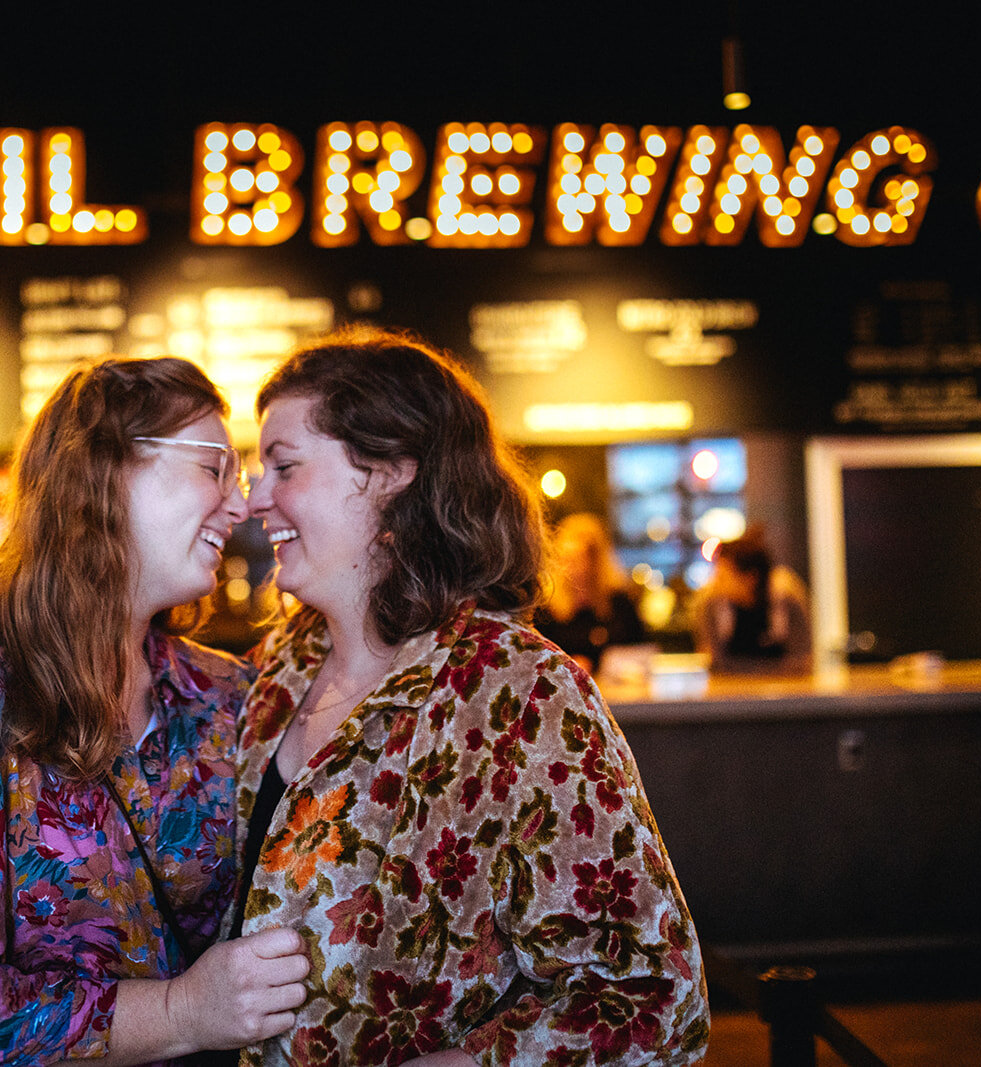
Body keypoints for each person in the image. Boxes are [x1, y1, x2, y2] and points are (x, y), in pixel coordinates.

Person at [0, 356, 309, 1066]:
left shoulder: (224, 696)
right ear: (103, 476)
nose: (243, 504)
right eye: (216, 468)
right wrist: (179, 1012)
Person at [228, 327, 708, 1066]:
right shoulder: (278, 668)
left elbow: (652, 994)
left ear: (392, 475)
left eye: (283, 466)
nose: (254, 498)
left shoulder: (522, 694)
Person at [536, 512, 647, 675]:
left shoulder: (620, 603)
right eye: (568, 559)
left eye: (581, 559)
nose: (573, 568)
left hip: (618, 694)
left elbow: (642, 652)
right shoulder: (546, 610)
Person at [694, 524, 812, 674]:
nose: (716, 582)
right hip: (730, 690)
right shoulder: (711, 603)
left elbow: (802, 658)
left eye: (724, 577)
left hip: (784, 689)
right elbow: (714, 661)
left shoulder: (787, 598)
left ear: (751, 578)